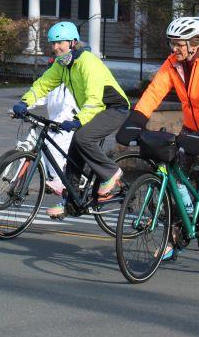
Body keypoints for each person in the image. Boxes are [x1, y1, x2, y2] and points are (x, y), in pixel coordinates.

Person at [116, 16, 199, 219]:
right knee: (174, 171)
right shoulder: (173, 63)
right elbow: (154, 92)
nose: (174, 49)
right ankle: (180, 224)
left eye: (179, 44)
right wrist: (136, 120)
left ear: (194, 43)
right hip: (192, 127)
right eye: (172, 43)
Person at [12, 21, 130, 219]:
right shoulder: (62, 65)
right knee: (74, 149)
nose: (56, 47)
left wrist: (77, 120)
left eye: (60, 43)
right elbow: (43, 85)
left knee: (83, 137)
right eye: (53, 43)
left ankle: (110, 173)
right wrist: (24, 102)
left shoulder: (88, 62)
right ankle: (71, 202)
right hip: (94, 110)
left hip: (114, 108)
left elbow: (94, 99)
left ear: (73, 42)